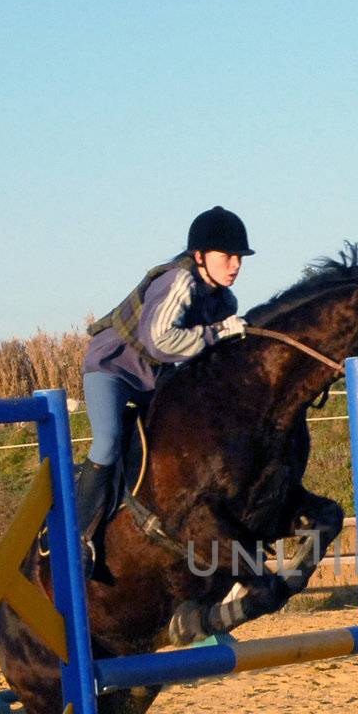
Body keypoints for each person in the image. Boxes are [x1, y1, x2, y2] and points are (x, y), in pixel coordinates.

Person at [75, 206, 253, 570]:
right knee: (107, 443)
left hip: (153, 377)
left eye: (239, 258)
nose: (235, 265)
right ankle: (78, 536)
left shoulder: (224, 300)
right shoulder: (178, 281)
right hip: (112, 369)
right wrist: (218, 333)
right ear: (200, 256)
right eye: (227, 257)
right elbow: (160, 342)